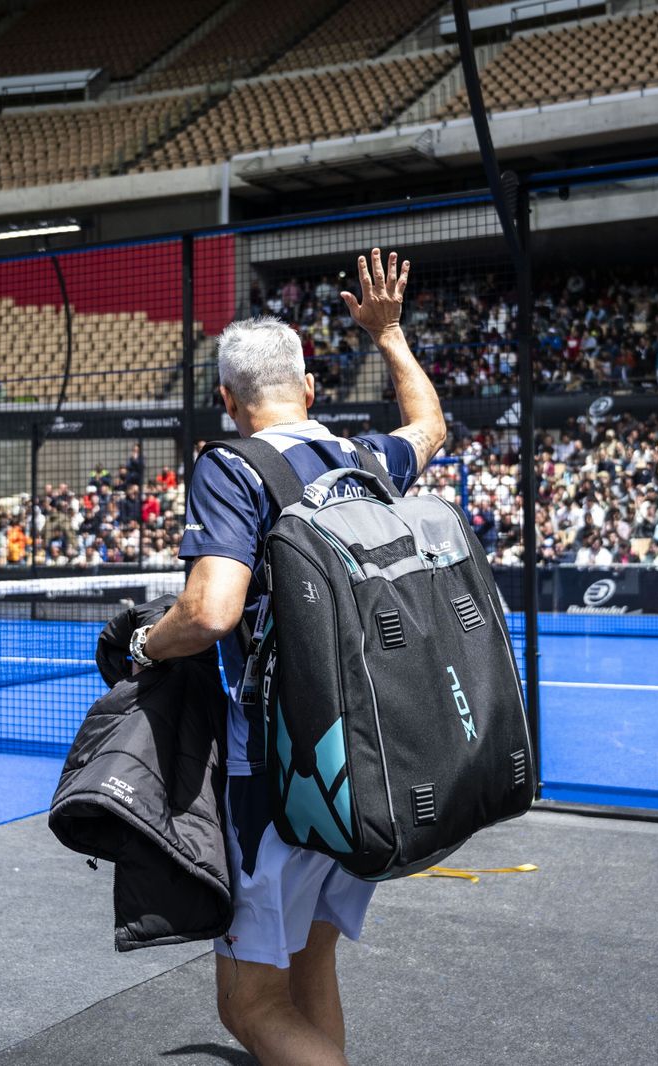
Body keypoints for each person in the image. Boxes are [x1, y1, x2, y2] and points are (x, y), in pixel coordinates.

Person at [131, 250, 444, 1066]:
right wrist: (390, 334)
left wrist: (143, 643)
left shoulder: (231, 467)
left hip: (270, 774)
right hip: (367, 757)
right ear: (309, 390)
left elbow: (209, 611)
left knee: (250, 1005)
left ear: (227, 401)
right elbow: (431, 427)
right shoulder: (361, 460)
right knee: (313, 962)